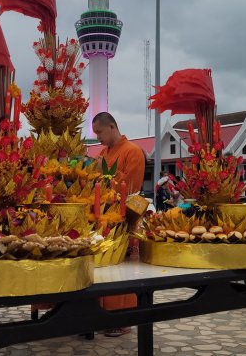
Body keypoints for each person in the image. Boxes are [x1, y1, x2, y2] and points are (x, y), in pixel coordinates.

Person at [91, 112, 146, 337]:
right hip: (100, 219)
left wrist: (104, 174)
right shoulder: (103, 153)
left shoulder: (132, 152)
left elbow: (130, 186)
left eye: (99, 132)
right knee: (102, 271)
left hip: (123, 219)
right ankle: (100, 316)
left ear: (112, 127)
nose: (98, 138)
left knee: (120, 271)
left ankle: (122, 319)